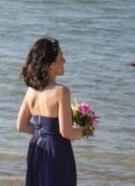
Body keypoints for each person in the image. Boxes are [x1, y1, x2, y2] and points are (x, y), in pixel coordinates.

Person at [15, 37, 82, 186]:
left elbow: (21, 125)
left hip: (36, 148)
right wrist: (84, 131)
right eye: (61, 57)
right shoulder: (61, 91)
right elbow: (66, 132)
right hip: (56, 151)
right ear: (51, 65)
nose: (64, 61)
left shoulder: (31, 90)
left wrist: (43, 132)